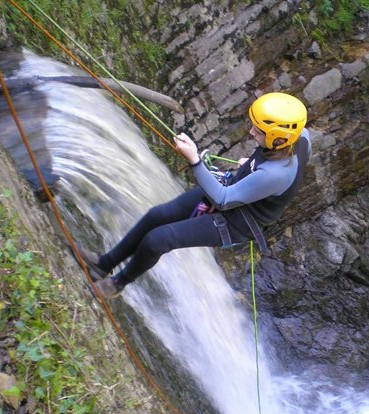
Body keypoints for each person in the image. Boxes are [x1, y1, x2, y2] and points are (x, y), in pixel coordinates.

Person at [76, 92, 311, 300]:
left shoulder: (275, 173)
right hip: (235, 187)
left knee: (158, 240)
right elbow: (284, 165)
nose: (250, 132)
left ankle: (117, 284)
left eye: (258, 131)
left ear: (278, 139)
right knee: (157, 215)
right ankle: (103, 264)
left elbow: (224, 200)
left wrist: (194, 160)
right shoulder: (301, 137)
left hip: (237, 219)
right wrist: (251, 167)